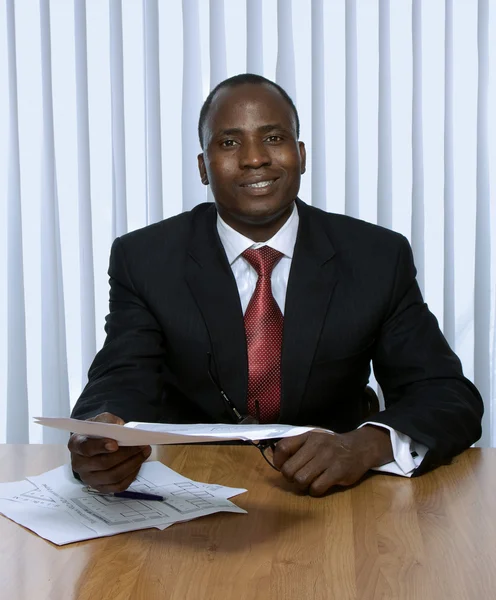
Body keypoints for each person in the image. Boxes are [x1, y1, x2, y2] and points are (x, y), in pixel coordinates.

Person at [69, 74, 483, 496]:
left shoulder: (376, 257)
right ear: (202, 168)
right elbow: (122, 376)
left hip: (336, 496)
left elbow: (446, 395)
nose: (254, 159)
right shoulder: (145, 258)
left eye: (273, 137)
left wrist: (364, 446)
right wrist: (99, 434)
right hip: (191, 488)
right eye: (229, 143)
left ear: (300, 155)